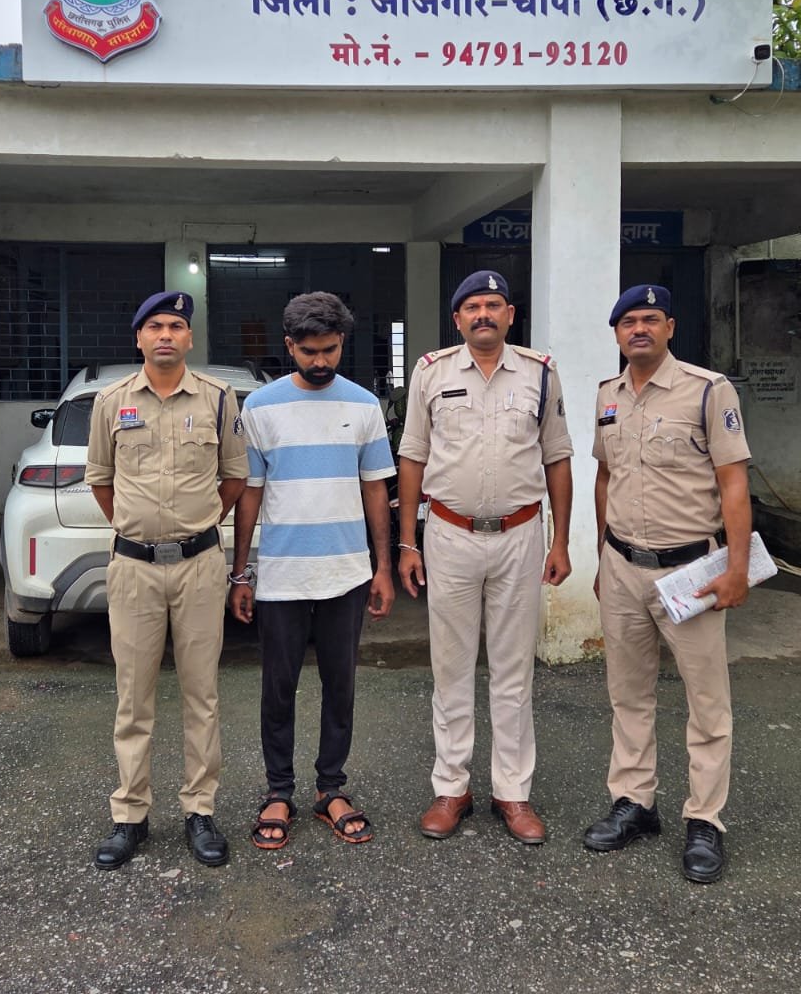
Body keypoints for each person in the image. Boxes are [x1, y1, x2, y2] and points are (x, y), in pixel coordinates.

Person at [396, 270, 574, 845]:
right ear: (457, 319)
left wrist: (561, 540)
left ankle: (512, 792)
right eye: (472, 307)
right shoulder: (431, 372)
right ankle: (452, 788)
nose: (483, 315)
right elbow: (413, 457)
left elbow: (557, 457)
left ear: (510, 314)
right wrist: (407, 542)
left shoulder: (541, 373)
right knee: (450, 668)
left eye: (493, 305)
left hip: (521, 535)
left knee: (513, 669)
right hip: (449, 534)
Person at [586, 283, 752, 884]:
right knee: (628, 694)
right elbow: (605, 477)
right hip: (622, 566)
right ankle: (635, 803)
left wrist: (736, 568)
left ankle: (705, 819)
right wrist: (601, 557)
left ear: (670, 327)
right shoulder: (607, 395)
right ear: (616, 333)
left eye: (651, 319)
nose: (639, 329)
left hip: (690, 572)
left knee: (707, 704)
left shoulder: (708, 390)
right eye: (629, 321)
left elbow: (733, 482)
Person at [84, 291, 247, 871]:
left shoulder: (218, 398)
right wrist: (140, 533)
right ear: (138, 338)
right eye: (154, 326)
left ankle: (199, 810)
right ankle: (130, 814)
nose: (165, 335)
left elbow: (233, 477)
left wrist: (194, 528)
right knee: (134, 698)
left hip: (200, 566)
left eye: (176, 326)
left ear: (189, 338)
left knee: (202, 694)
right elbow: (101, 480)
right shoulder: (110, 402)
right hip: (134, 569)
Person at [229, 292, 396, 849]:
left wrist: (382, 567)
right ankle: (278, 790)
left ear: (342, 343)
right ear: (289, 346)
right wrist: (241, 573)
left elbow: (376, 491)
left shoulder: (364, 406)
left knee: (340, 686)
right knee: (278, 689)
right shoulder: (260, 408)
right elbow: (250, 494)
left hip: (346, 574)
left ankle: (331, 789)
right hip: (281, 576)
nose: (320, 361)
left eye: (329, 350)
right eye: (309, 352)